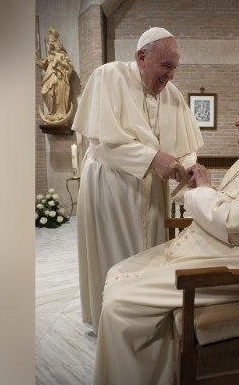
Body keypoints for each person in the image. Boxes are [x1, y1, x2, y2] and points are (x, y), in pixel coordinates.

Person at [92, 92, 239, 385]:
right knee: (117, 273)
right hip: (216, 250)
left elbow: (234, 223)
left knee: (120, 304)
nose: (238, 120)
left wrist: (204, 190)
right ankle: (151, 383)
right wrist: (198, 187)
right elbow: (227, 204)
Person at [72, 27, 203, 334]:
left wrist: (189, 168)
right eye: (166, 66)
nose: (170, 75)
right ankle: (112, 323)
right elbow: (102, 144)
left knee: (150, 256)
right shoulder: (109, 77)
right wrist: (153, 158)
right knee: (114, 255)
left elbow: (183, 147)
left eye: (174, 68)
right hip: (112, 186)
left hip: (152, 189)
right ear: (142, 57)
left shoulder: (172, 94)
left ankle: (144, 319)